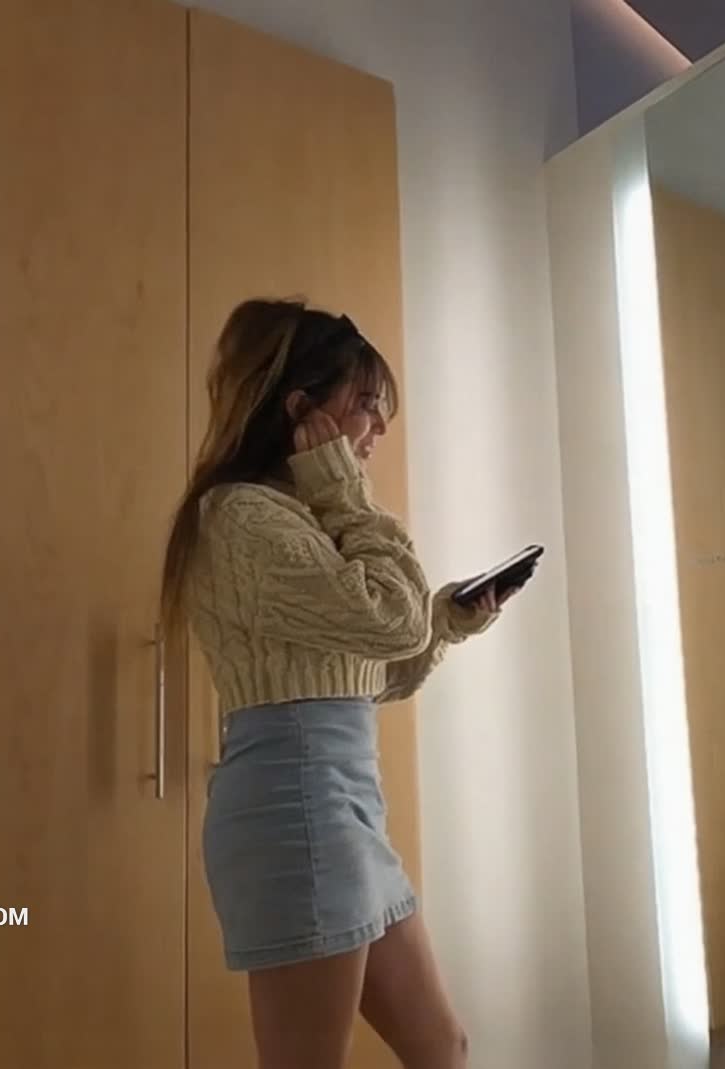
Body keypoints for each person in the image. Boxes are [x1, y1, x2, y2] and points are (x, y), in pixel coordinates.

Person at [159, 299, 525, 1069]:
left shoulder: (299, 521)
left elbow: (362, 675)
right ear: (302, 410)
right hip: (295, 813)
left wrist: (446, 622)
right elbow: (393, 620)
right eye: (364, 402)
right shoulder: (244, 519)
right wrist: (344, 494)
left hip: (341, 808)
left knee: (442, 1045)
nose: (378, 426)